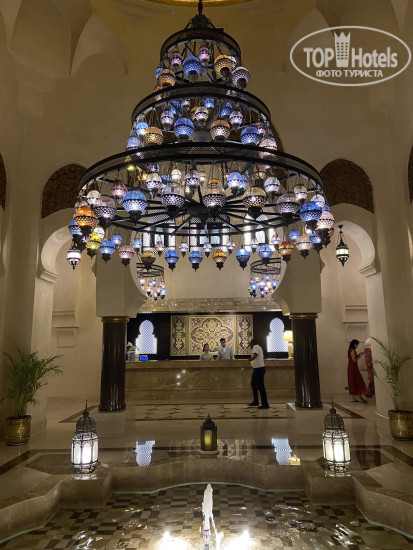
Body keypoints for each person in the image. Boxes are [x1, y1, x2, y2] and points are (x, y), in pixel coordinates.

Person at [248, 338, 269, 409]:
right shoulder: (258, 347)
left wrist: (250, 359)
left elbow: (255, 355)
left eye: (250, 343)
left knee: (260, 386)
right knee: (253, 384)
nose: (250, 345)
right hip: (257, 369)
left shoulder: (255, 347)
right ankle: (256, 401)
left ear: (252, 343)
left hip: (259, 369)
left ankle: (265, 404)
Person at [348, 339, 367, 403]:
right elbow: (354, 360)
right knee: (357, 380)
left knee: (353, 380)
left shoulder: (350, 350)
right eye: (357, 344)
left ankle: (355, 397)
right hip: (353, 367)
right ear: (354, 344)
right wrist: (360, 356)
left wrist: (359, 354)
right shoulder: (352, 351)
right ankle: (358, 397)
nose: (357, 346)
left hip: (351, 366)